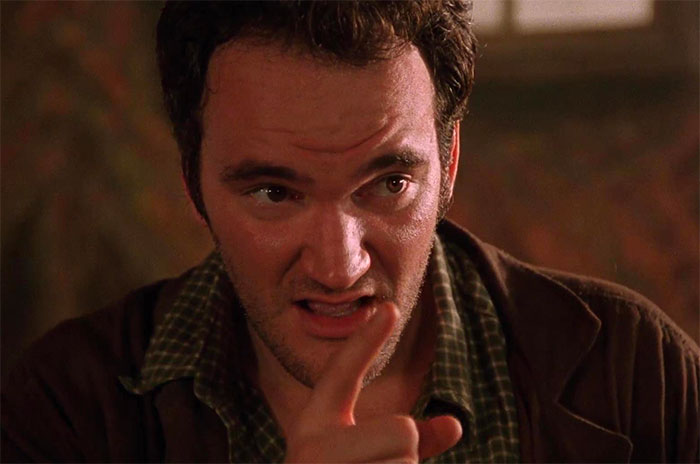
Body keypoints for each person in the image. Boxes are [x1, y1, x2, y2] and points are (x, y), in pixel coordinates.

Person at [2, 1, 698, 462]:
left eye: (389, 184)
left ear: (449, 163)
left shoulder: (638, 374)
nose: (340, 267)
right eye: (274, 193)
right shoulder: (68, 409)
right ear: (193, 184)